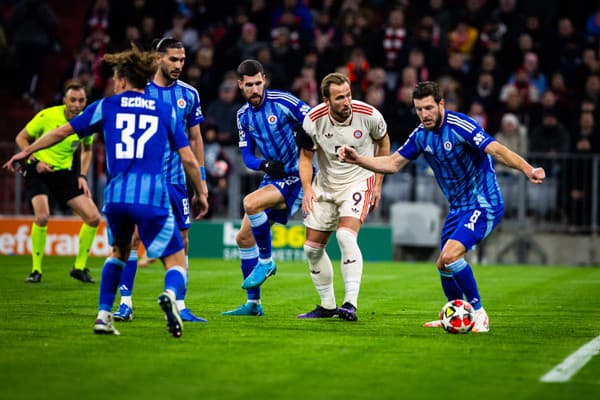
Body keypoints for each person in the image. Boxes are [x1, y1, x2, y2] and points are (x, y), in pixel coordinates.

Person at [4, 45, 206, 338]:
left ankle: (103, 315)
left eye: (115, 77)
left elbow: (62, 132)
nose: (113, 81)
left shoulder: (106, 106)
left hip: (116, 196)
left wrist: (27, 152)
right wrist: (201, 191)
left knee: (118, 252)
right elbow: (188, 157)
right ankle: (172, 297)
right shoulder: (165, 110)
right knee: (175, 258)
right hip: (152, 195)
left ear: (123, 79)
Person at [337, 81, 546, 332]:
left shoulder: (461, 126)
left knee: (450, 256)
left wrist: (528, 169)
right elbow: (393, 164)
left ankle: (478, 313)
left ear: (441, 104)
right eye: (418, 109)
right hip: (458, 208)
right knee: (443, 263)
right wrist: (358, 159)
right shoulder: (421, 135)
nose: (424, 114)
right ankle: (454, 313)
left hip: (483, 202)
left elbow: (497, 150)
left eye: (428, 108)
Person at [111, 37, 209, 323]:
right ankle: (125, 303)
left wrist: (199, 181)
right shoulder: (141, 91)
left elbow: (195, 139)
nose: (179, 65)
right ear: (158, 59)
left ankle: (180, 303)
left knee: (183, 238)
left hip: (176, 179)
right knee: (131, 237)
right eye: (173, 59)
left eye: (182, 59)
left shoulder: (189, 94)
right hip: (142, 178)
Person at [293, 72, 390, 322]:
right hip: (325, 185)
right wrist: (307, 189)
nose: (346, 101)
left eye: (348, 95)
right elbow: (305, 157)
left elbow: (384, 143)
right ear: (326, 101)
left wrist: (377, 183)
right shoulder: (312, 121)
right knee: (312, 249)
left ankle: (350, 304)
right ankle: (327, 306)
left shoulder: (368, 115)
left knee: (345, 236)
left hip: (359, 180)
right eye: (339, 98)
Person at [220, 59, 310, 316]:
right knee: (243, 237)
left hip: (297, 176)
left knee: (250, 202)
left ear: (264, 80)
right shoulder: (243, 116)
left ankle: (267, 261)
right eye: (249, 85)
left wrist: (305, 136)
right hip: (274, 177)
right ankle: (253, 304)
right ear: (240, 85)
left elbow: (313, 121)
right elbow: (246, 156)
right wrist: (265, 164)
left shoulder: (283, 101)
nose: (255, 89)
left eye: (258, 83)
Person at [14, 81, 101, 284]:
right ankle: (36, 270)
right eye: (73, 100)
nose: (77, 104)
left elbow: (87, 149)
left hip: (65, 175)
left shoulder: (86, 122)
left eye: (81, 100)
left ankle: (79, 268)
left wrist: (82, 176)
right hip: (38, 171)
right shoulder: (47, 115)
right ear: (64, 100)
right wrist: (35, 161)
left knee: (94, 217)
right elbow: (21, 138)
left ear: (86, 101)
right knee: (43, 216)